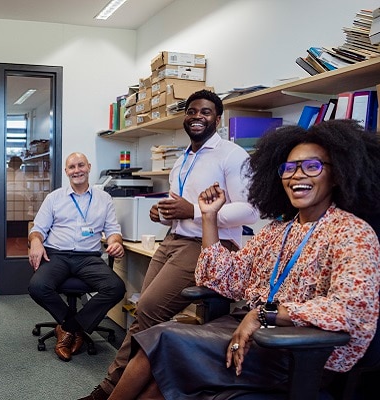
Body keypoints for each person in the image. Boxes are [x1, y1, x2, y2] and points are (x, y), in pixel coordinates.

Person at [106, 119, 380, 399]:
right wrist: (209, 216)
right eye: (289, 168)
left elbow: (350, 310)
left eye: (312, 166)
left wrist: (264, 314)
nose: (297, 175)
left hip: (296, 351)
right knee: (160, 374)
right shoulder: (277, 230)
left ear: (336, 175)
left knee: (163, 341)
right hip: (249, 330)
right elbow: (222, 276)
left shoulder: (352, 232)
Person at [80, 89, 259, 399]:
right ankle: (133, 386)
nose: (197, 117)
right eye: (191, 111)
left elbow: (251, 211)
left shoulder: (231, 154)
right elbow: (179, 208)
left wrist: (193, 211)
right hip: (173, 240)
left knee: (149, 311)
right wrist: (163, 213)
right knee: (142, 312)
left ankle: (109, 389)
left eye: (205, 112)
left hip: (207, 247)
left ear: (218, 118)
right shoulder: (180, 161)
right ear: (184, 117)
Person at [28, 152, 126, 361]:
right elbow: (38, 229)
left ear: (89, 167)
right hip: (58, 255)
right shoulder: (54, 198)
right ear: (66, 172)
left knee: (116, 287)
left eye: (80, 165)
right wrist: (36, 241)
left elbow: (113, 231)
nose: (76, 170)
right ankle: (76, 328)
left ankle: (69, 328)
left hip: (88, 257)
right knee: (37, 286)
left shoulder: (104, 199)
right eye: (71, 167)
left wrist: (116, 242)